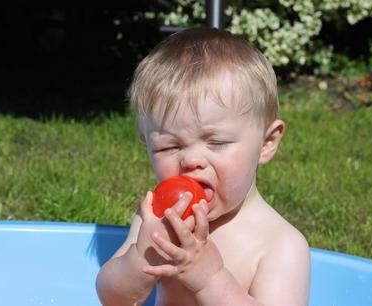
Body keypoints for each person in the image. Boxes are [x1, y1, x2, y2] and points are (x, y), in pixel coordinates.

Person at [96, 27, 310, 306]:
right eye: (168, 147)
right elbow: (113, 299)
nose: (190, 161)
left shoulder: (280, 245)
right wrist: (140, 257)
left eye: (216, 142)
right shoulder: (158, 219)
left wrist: (210, 279)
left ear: (267, 142)